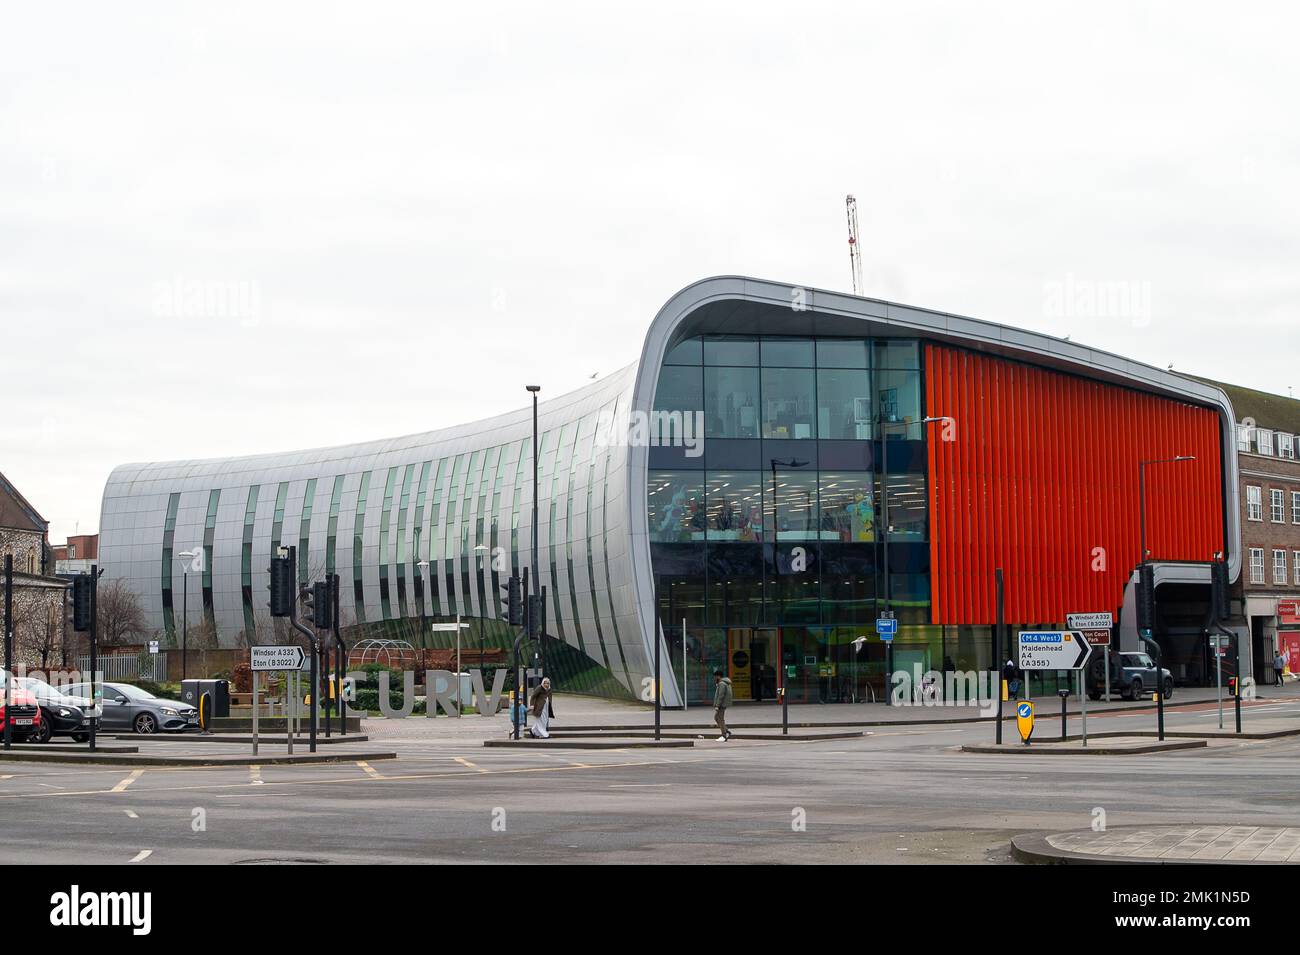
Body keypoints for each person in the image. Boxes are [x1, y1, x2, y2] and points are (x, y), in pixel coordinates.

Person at [712, 667, 733, 741]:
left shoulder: (722, 684)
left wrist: (717, 705)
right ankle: (726, 731)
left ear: (718, 676)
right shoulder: (724, 683)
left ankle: (724, 735)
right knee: (717, 718)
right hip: (723, 704)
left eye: (715, 676)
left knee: (720, 719)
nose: (714, 678)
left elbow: (721, 695)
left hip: (721, 705)